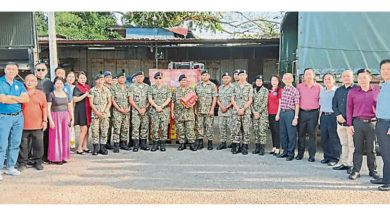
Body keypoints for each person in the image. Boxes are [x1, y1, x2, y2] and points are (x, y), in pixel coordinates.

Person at [346, 69, 380, 180]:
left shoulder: (377, 91)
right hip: (358, 124)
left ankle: (373, 171)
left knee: (371, 149)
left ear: (370, 78)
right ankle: (356, 170)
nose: (362, 80)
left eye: (364, 77)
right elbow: (349, 109)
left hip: (372, 123)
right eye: (360, 78)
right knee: (358, 149)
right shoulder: (353, 92)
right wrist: (349, 125)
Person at [0, 62, 29, 180]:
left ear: (17, 72)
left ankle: (10, 167)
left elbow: (26, 99)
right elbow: (3, 100)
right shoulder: (0, 82)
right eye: (9, 69)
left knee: (15, 142)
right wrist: (18, 99)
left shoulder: (19, 84)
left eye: (14, 69)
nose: (11, 71)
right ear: (5, 70)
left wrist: (11, 97)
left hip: (18, 117)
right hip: (4, 117)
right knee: (2, 144)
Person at [17, 74, 47, 171]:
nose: (30, 82)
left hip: (37, 124)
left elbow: (44, 107)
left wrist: (45, 120)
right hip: (23, 124)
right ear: (24, 82)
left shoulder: (40, 93)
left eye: (32, 80)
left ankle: (37, 162)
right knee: (23, 145)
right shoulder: (20, 93)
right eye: (28, 80)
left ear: (36, 83)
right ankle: (22, 163)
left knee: (38, 145)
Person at [332, 70, 357, 174]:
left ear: (353, 77)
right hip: (340, 122)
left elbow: (356, 106)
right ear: (341, 78)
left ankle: (351, 164)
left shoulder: (356, 89)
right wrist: (338, 115)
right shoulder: (339, 90)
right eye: (344, 76)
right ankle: (345, 163)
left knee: (352, 144)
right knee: (344, 143)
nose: (346, 78)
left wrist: (346, 117)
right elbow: (334, 104)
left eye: (348, 76)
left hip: (351, 123)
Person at [296, 68, 322, 162]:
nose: (308, 76)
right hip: (302, 113)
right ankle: (300, 154)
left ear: (314, 75)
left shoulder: (319, 87)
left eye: (310, 74)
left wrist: (319, 116)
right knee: (301, 134)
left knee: (312, 135)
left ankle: (312, 155)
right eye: (306, 74)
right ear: (304, 76)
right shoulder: (299, 86)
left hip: (314, 113)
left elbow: (321, 102)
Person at [47, 77, 73, 165]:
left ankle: (63, 156)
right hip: (55, 116)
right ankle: (55, 157)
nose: (59, 85)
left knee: (65, 137)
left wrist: (72, 118)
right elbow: (48, 108)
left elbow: (70, 107)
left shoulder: (66, 94)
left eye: (61, 83)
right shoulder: (51, 94)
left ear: (63, 84)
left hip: (65, 116)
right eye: (57, 83)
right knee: (56, 137)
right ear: (54, 85)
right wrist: (50, 120)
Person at [373, 59, 390, 191]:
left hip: (388, 123)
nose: (385, 71)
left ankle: (388, 182)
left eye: (388, 69)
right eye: (383, 69)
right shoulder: (384, 85)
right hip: (380, 122)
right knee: (384, 153)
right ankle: (385, 177)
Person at [318, 73, 341, 166]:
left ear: (334, 80)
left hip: (333, 116)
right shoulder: (322, 91)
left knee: (334, 138)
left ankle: (334, 158)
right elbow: (321, 105)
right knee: (324, 138)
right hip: (324, 116)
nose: (327, 81)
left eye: (329, 79)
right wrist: (319, 118)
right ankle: (326, 157)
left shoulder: (336, 91)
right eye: (325, 79)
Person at [277, 73, 300, 161]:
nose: (287, 80)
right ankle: (285, 151)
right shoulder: (282, 90)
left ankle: (291, 153)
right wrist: (278, 114)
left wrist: (296, 117)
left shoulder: (295, 91)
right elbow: (280, 103)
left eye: (289, 78)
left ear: (292, 79)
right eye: (285, 78)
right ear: (282, 80)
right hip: (283, 113)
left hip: (291, 113)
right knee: (283, 134)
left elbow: (297, 105)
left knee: (291, 134)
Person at [171, 74, 197, 151]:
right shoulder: (176, 90)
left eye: (185, 80)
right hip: (179, 114)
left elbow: (195, 100)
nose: (184, 82)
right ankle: (182, 144)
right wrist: (172, 112)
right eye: (182, 80)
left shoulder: (191, 89)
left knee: (190, 129)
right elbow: (173, 101)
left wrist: (192, 105)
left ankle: (192, 144)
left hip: (189, 113)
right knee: (180, 129)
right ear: (179, 82)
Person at [231, 69, 253, 155]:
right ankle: (236, 146)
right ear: (238, 76)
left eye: (243, 75)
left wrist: (243, 109)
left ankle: (245, 146)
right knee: (236, 129)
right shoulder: (234, 86)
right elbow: (232, 99)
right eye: (240, 75)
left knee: (246, 129)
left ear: (246, 76)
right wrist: (237, 109)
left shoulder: (249, 86)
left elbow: (250, 99)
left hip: (246, 111)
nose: (242, 77)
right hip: (236, 111)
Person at [194, 69, 218, 150]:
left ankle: (210, 142)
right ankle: (200, 142)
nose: (204, 77)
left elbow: (214, 98)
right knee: (199, 126)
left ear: (209, 76)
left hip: (209, 110)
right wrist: (195, 108)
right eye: (203, 75)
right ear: (201, 76)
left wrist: (212, 109)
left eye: (206, 75)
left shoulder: (212, 86)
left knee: (209, 126)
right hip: (200, 109)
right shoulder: (197, 86)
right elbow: (195, 98)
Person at [148, 72, 172, 152]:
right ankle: (155, 144)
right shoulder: (151, 88)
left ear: (163, 79)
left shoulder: (166, 88)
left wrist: (161, 106)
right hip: (155, 111)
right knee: (155, 128)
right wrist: (156, 106)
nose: (158, 80)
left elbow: (169, 98)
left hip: (164, 111)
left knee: (163, 128)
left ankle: (162, 144)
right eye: (156, 78)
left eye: (160, 78)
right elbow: (150, 99)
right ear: (154, 79)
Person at [88, 74, 111, 155]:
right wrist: (97, 112)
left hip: (105, 114)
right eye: (98, 80)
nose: (100, 81)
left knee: (104, 131)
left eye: (101, 79)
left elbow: (109, 102)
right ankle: (95, 148)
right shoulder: (92, 90)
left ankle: (103, 147)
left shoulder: (107, 90)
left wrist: (105, 111)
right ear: (96, 81)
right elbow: (91, 103)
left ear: (103, 80)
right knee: (95, 131)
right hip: (95, 114)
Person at [34, 63, 52, 162]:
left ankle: (45, 155)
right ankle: (35, 157)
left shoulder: (49, 82)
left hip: (47, 111)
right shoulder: (32, 81)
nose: (40, 72)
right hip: (34, 111)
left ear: (46, 71)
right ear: (35, 71)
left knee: (46, 134)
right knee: (35, 135)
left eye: (43, 70)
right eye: (38, 69)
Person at [129, 71, 151, 152]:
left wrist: (145, 108)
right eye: (138, 76)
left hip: (145, 111)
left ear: (143, 77)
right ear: (136, 77)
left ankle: (143, 144)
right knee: (135, 127)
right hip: (136, 111)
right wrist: (138, 109)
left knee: (144, 127)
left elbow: (149, 99)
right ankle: (135, 145)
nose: (139, 78)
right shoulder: (132, 86)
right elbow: (130, 100)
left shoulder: (147, 87)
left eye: (141, 76)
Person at [110, 72, 131, 153]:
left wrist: (129, 108)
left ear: (125, 79)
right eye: (120, 77)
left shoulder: (127, 88)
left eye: (123, 77)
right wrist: (119, 109)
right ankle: (116, 144)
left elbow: (130, 99)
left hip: (126, 111)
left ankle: (124, 144)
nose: (122, 79)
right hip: (117, 111)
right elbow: (112, 100)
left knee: (125, 128)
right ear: (117, 79)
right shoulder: (113, 87)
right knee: (117, 128)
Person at [73, 72, 92, 155]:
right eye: (81, 78)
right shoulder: (76, 88)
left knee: (87, 130)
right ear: (78, 79)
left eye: (84, 78)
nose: (82, 79)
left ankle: (85, 146)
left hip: (88, 109)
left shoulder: (88, 87)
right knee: (83, 130)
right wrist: (85, 95)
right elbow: (75, 100)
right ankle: (79, 148)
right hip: (81, 110)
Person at [251, 74, 269, 155]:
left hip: (262, 114)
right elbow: (251, 102)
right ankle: (257, 148)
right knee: (256, 131)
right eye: (257, 81)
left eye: (260, 81)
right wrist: (254, 112)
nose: (258, 82)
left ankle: (262, 149)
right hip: (254, 114)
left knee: (262, 131)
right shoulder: (253, 90)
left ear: (262, 82)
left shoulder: (265, 90)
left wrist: (258, 112)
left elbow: (265, 102)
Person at [216, 72, 234, 150]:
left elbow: (234, 99)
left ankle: (234, 143)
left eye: (227, 78)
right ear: (222, 79)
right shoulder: (220, 87)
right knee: (222, 127)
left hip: (230, 111)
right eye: (224, 78)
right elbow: (217, 99)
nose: (226, 79)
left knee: (232, 128)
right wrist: (221, 106)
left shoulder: (233, 87)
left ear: (230, 78)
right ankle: (223, 142)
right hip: (221, 111)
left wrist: (226, 107)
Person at [268, 75, 282, 155]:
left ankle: (277, 148)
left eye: (275, 80)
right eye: (272, 80)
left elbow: (280, 103)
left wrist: (278, 114)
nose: (274, 82)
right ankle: (274, 147)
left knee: (277, 131)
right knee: (272, 131)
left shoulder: (280, 90)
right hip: (270, 113)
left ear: (278, 81)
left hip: (276, 113)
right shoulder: (269, 90)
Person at [103, 71, 114, 149]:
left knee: (111, 126)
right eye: (107, 77)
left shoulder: (114, 86)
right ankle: (104, 142)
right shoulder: (102, 87)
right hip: (106, 109)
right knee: (106, 126)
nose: (109, 79)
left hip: (114, 109)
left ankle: (109, 142)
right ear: (104, 78)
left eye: (110, 77)